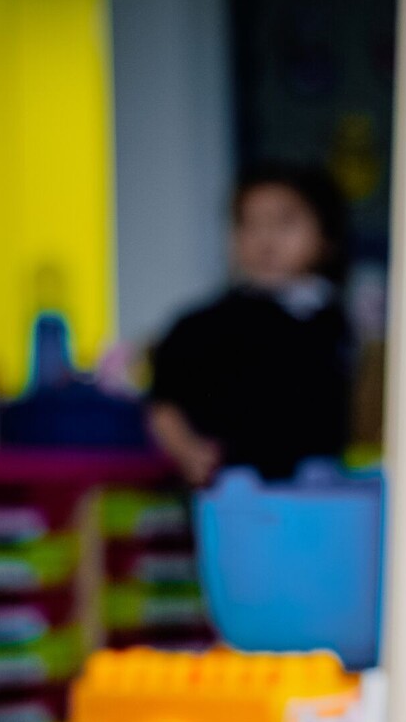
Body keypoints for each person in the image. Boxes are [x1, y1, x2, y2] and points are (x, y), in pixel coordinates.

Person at [147, 164, 352, 485]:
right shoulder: (206, 324)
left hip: (320, 484)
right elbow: (164, 401)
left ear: (326, 236)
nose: (265, 240)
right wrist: (187, 451)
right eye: (249, 225)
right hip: (235, 484)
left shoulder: (332, 318)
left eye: (284, 223)